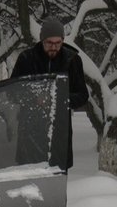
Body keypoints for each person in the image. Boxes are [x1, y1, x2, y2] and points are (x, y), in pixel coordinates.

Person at [10, 17, 89, 170]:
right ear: (41, 40)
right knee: (31, 184)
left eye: (58, 43)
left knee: (56, 184)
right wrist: (34, 98)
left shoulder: (72, 60)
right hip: (30, 133)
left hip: (59, 134)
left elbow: (82, 95)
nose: (54, 47)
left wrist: (58, 98)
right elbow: (13, 93)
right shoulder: (26, 59)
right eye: (49, 43)